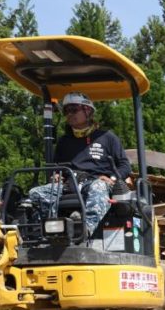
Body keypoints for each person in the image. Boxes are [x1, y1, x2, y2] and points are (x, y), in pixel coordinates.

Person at [27, 92, 131, 237]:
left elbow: (125, 165)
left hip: (96, 182)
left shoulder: (107, 137)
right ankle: (48, 230)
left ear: (88, 111)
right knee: (35, 193)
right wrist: (56, 175)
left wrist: (112, 179)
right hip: (70, 185)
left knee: (98, 186)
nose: (69, 114)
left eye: (74, 109)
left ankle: (85, 229)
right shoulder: (64, 141)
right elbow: (56, 168)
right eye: (66, 111)